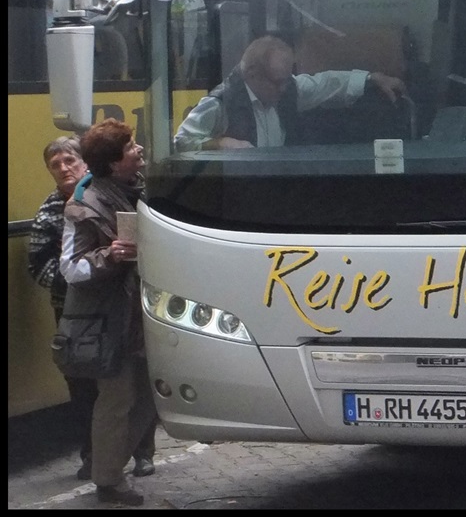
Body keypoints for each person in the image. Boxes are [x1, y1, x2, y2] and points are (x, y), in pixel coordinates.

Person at [28, 136, 158, 483]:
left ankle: (137, 455)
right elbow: (48, 266)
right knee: (102, 393)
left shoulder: (138, 193)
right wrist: (88, 282)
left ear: (85, 163)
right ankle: (102, 468)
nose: (64, 169)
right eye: (56, 165)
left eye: (69, 160)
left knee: (143, 389)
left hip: (135, 308)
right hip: (85, 316)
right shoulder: (63, 209)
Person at [61, 120, 156, 506]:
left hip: (144, 316)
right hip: (109, 321)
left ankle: (110, 468)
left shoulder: (142, 191)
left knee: (151, 397)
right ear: (115, 163)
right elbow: (70, 268)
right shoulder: (82, 206)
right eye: (132, 146)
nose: (140, 151)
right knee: (115, 400)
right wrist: (108, 255)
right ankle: (109, 479)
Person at [173, 34, 406, 151]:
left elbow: (326, 84)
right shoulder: (220, 103)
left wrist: (370, 78)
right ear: (252, 75)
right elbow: (181, 141)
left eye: (287, 80)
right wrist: (219, 143)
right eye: (278, 82)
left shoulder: (288, 90)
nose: (285, 88)